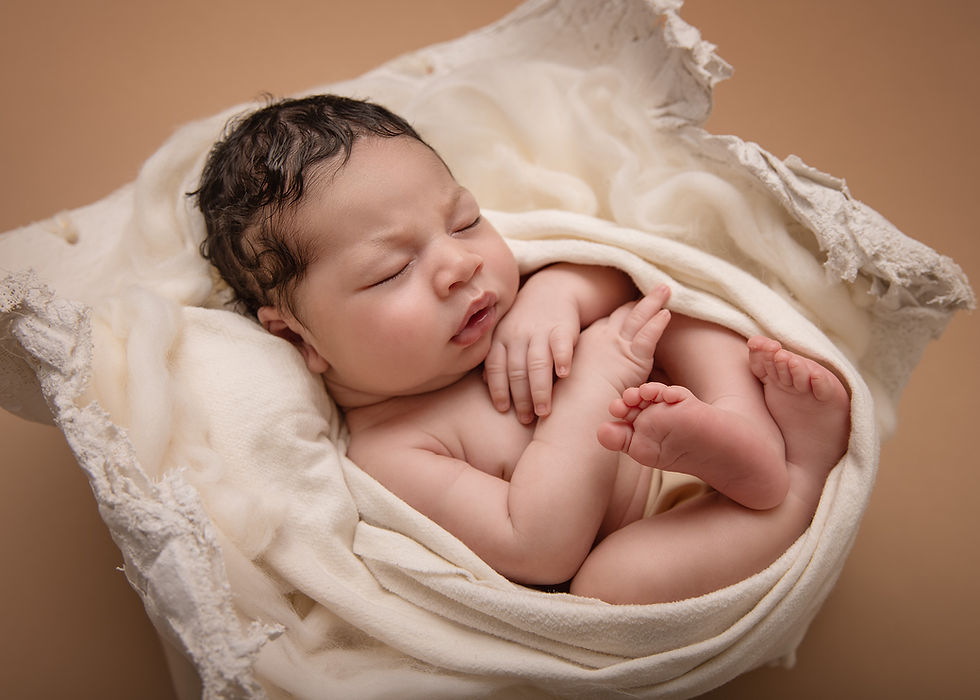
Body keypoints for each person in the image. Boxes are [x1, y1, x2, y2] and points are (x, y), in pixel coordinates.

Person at [194, 95, 850, 604]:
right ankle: (795, 485)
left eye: (464, 221)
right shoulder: (392, 448)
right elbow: (538, 548)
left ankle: (745, 425)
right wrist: (596, 377)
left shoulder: (514, 294)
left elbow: (621, 269)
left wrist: (560, 290)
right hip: (670, 520)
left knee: (666, 308)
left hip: (693, 399)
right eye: (391, 270)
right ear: (298, 336)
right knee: (610, 586)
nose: (459, 263)